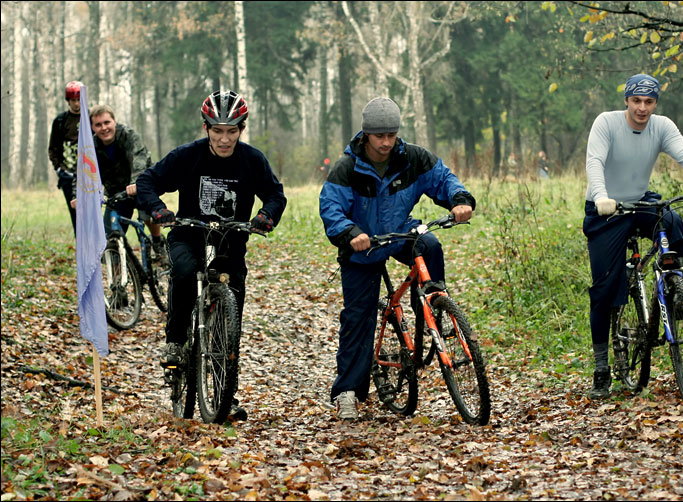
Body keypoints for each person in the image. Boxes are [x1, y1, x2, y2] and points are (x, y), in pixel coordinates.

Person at [319, 97, 475, 421]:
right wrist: (349, 232)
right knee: (358, 318)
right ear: (366, 135)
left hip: (400, 232)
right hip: (363, 244)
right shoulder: (348, 168)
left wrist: (459, 200)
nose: (387, 142)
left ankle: (433, 308)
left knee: (430, 245)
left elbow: (443, 178)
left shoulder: (412, 158)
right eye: (380, 136)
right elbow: (330, 206)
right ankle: (348, 391)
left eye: (392, 134)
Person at [137, 89, 287, 420]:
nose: (224, 138)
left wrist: (266, 217)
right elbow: (148, 181)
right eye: (217, 130)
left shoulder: (252, 160)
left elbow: (275, 194)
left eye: (231, 131)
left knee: (229, 321)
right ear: (206, 128)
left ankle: (223, 395)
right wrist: (159, 209)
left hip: (230, 242)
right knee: (186, 272)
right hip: (188, 235)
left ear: (241, 129)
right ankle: (176, 341)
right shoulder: (187, 157)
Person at [583, 74, 683, 399]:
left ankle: (674, 287)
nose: (642, 108)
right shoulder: (606, 123)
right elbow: (595, 161)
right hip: (607, 209)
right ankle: (602, 368)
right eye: (636, 101)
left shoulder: (661, 126)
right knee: (604, 289)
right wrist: (602, 196)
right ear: (627, 101)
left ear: (655, 103)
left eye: (648, 102)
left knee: (672, 220)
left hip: (640, 200)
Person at [69, 105, 166, 257]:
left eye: (107, 122)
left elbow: (139, 161)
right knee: (108, 240)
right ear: (92, 128)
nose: (104, 128)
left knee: (148, 214)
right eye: (98, 125)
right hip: (117, 193)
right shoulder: (90, 147)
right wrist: (77, 195)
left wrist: (136, 183)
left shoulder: (129, 136)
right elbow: (81, 173)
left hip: (141, 185)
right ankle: (117, 274)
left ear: (114, 121)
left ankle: (157, 241)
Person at [48, 81, 83, 234]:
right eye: (73, 100)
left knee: (93, 214)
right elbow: (53, 148)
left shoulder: (91, 118)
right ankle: (82, 251)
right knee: (76, 214)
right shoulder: (61, 121)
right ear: (68, 101)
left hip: (90, 174)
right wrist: (59, 169)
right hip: (68, 175)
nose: (76, 104)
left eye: (79, 100)